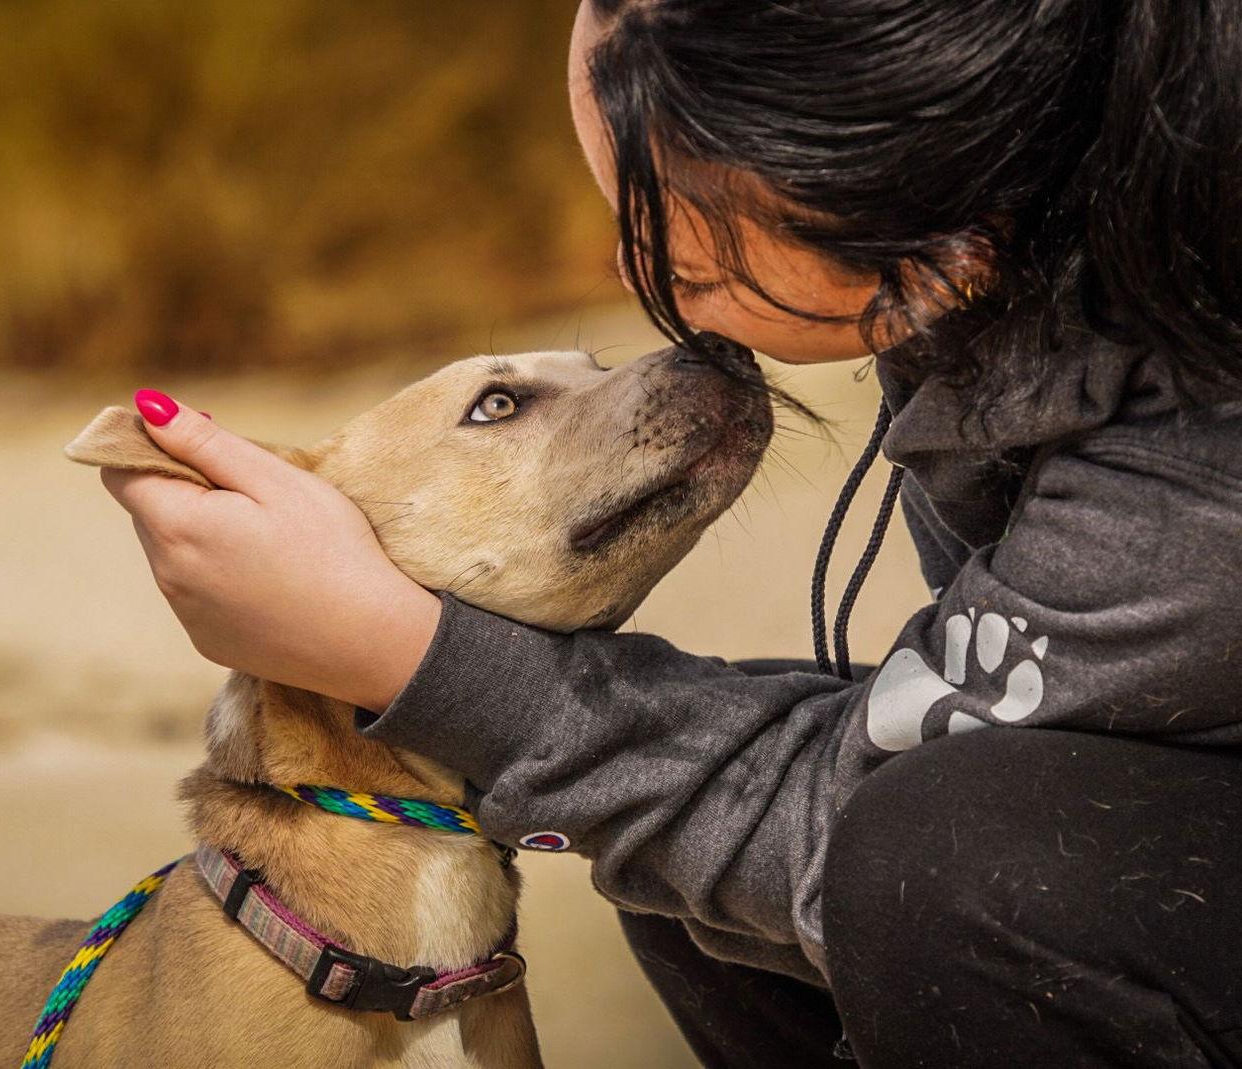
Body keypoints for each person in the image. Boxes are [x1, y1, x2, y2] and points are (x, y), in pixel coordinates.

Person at [101, 1, 1242, 1065]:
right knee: (689, 838)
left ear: (904, 197)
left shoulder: (1201, 443)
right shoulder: (988, 236)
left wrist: (404, 653)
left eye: (683, 245)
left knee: (906, 850)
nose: (663, 301)